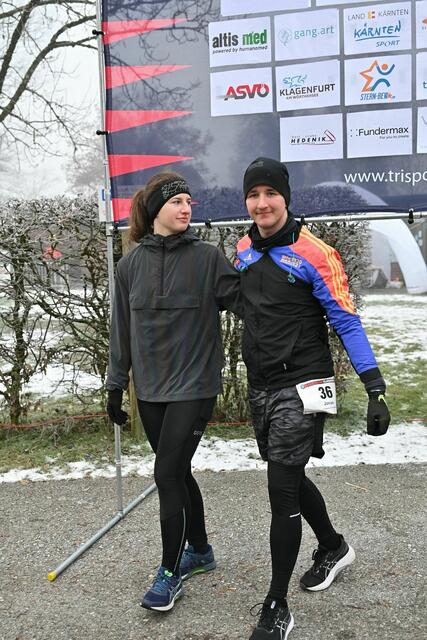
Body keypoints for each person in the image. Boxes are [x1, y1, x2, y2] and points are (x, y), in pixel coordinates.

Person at [235, 157, 391, 640]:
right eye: (253, 195)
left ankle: (277, 605)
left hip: (303, 384)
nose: (262, 203)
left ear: (286, 198)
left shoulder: (316, 252)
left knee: (281, 488)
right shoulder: (242, 249)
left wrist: (375, 387)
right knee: (288, 473)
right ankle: (333, 545)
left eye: (270, 194)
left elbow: (346, 320)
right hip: (260, 384)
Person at [106, 171, 240, 612]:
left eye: (188, 201)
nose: (186, 208)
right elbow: (122, 330)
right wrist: (115, 385)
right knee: (178, 472)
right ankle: (199, 550)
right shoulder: (129, 266)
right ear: (155, 210)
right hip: (150, 389)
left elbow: (249, 303)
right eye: (176, 201)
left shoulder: (207, 258)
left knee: (165, 475)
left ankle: (169, 573)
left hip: (195, 384)